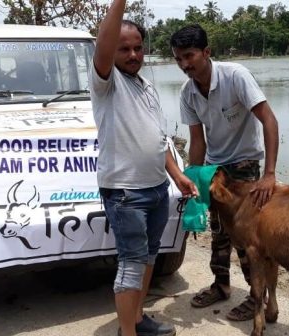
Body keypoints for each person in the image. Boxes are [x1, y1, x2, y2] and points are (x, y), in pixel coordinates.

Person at [90, 1, 198, 335]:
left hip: (155, 188)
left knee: (150, 256)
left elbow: (159, 138)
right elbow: (105, 44)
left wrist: (177, 175)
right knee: (131, 265)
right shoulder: (106, 82)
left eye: (138, 48)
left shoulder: (146, 86)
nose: (133, 54)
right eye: (124, 49)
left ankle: (137, 319)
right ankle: (128, 332)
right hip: (125, 192)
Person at [170, 24, 279, 321]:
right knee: (218, 233)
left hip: (244, 165)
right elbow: (197, 140)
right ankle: (221, 285)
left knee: (247, 238)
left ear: (206, 52)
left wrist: (269, 174)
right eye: (178, 58)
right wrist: (195, 177)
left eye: (189, 56)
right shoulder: (188, 92)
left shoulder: (236, 76)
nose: (184, 64)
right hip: (215, 167)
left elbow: (269, 120)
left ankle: (258, 297)